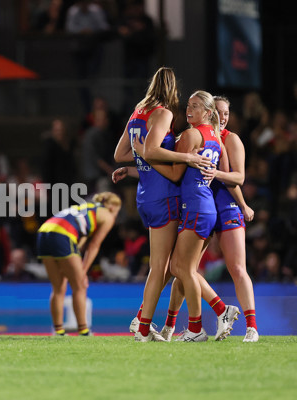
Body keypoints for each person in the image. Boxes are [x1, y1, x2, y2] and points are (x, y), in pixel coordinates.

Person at [112, 67, 212, 342]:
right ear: (172, 89)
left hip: (145, 195)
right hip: (164, 195)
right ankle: (148, 328)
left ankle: (145, 324)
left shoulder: (138, 111)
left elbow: (120, 153)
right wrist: (187, 159)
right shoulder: (163, 112)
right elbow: (152, 149)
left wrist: (138, 165)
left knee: (165, 267)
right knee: (164, 268)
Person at [158, 96, 259, 342]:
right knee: (183, 269)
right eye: (220, 112)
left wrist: (243, 204)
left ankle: (250, 327)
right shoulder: (209, 136)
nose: (223, 117)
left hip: (223, 208)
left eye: (226, 113)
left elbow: (238, 178)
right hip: (203, 207)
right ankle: (171, 326)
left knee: (235, 267)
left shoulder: (229, 139)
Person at [137, 90, 233, 342]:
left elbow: (174, 174)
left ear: (208, 112)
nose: (189, 110)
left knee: (181, 268)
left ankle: (197, 327)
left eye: (196, 106)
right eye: (188, 105)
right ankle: (215, 315)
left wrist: (144, 153)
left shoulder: (190, 134)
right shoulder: (215, 137)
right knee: (181, 267)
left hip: (195, 207)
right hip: (205, 206)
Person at [37, 192, 121, 336]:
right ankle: (84, 330)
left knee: (58, 287)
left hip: (44, 231)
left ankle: (58, 331)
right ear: (113, 207)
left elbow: (79, 243)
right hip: (63, 234)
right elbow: (94, 245)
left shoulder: (86, 207)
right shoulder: (107, 215)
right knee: (80, 286)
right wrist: (83, 271)